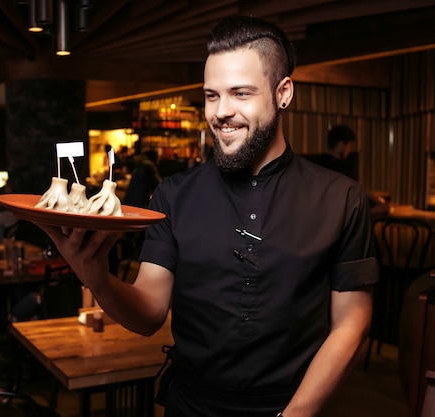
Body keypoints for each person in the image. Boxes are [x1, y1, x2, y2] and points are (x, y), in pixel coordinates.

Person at [36, 15, 378, 417]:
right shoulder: (172, 195)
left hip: (291, 407)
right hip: (190, 406)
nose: (221, 112)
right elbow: (148, 313)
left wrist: (296, 414)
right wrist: (95, 276)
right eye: (212, 95)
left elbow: (351, 323)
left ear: (283, 92)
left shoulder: (342, 198)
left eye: (240, 94)